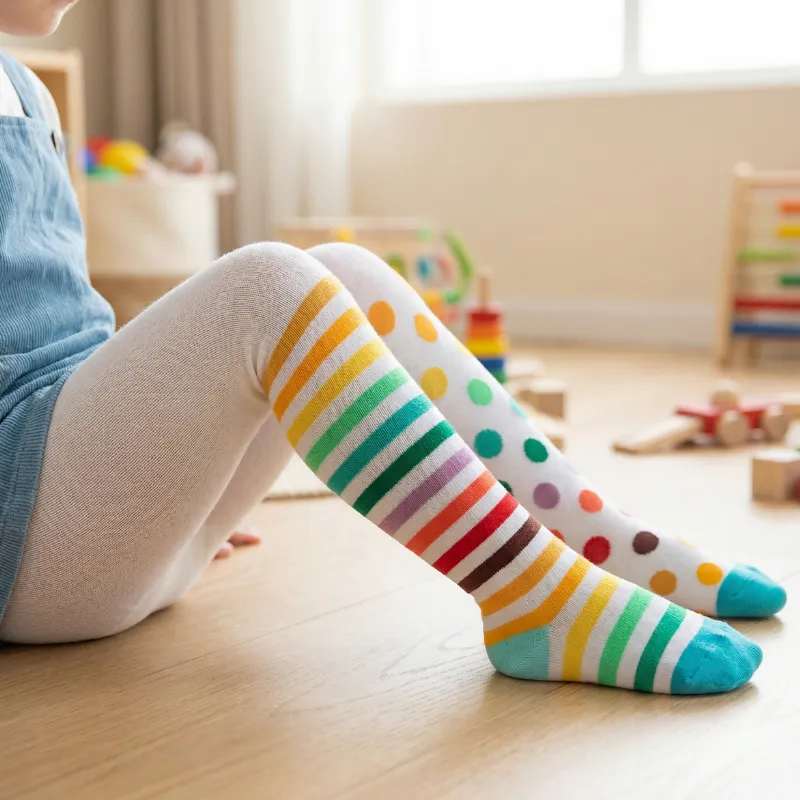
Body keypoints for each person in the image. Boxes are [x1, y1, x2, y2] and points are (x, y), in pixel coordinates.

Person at [0, 0, 784, 694]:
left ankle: (599, 538)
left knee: (342, 271)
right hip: (29, 548)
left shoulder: (29, 88)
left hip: (92, 532)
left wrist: (159, 475)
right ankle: (532, 593)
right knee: (267, 284)